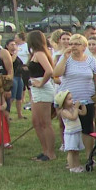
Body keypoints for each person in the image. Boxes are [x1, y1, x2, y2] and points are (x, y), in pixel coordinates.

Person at [54, 34, 96, 154]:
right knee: (71, 129)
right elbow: (56, 73)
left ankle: (89, 155)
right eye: (71, 44)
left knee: (87, 128)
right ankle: (72, 156)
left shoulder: (91, 60)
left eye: (76, 44)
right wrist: (64, 58)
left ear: (84, 47)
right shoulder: (66, 59)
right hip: (69, 100)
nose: (73, 46)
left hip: (87, 99)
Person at [26, 31, 57, 162]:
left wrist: (41, 83)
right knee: (36, 122)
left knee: (45, 122)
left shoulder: (40, 54)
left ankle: (50, 152)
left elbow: (50, 70)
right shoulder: (34, 54)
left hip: (42, 89)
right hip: (34, 88)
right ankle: (44, 150)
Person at [55, 90, 87, 173]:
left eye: (71, 98)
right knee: (71, 151)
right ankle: (72, 167)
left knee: (76, 151)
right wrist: (76, 108)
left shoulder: (73, 108)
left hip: (77, 131)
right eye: (69, 99)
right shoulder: (64, 112)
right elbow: (73, 117)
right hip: (70, 134)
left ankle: (77, 165)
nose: (72, 100)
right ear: (63, 102)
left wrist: (83, 105)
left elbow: (83, 113)